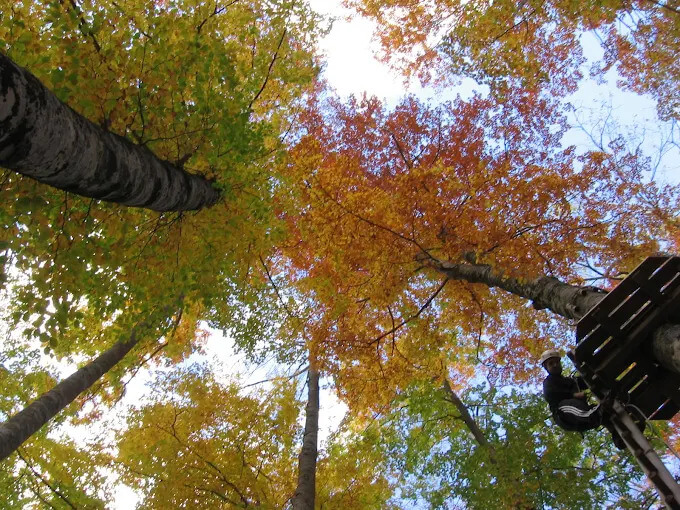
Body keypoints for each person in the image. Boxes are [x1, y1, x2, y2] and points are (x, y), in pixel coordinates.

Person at [539, 349, 625, 449]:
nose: (555, 365)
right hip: (564, 415)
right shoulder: (549, 382)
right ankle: (597, 412)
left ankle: (618, 436)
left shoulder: (570, 381)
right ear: (546, 367)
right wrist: (573, 395)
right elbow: (551, 394)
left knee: (604, 415)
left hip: (582, 417)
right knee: (570, 406)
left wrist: (600, 378)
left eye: (557, 362)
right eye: (551, 363)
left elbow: (586, 381)